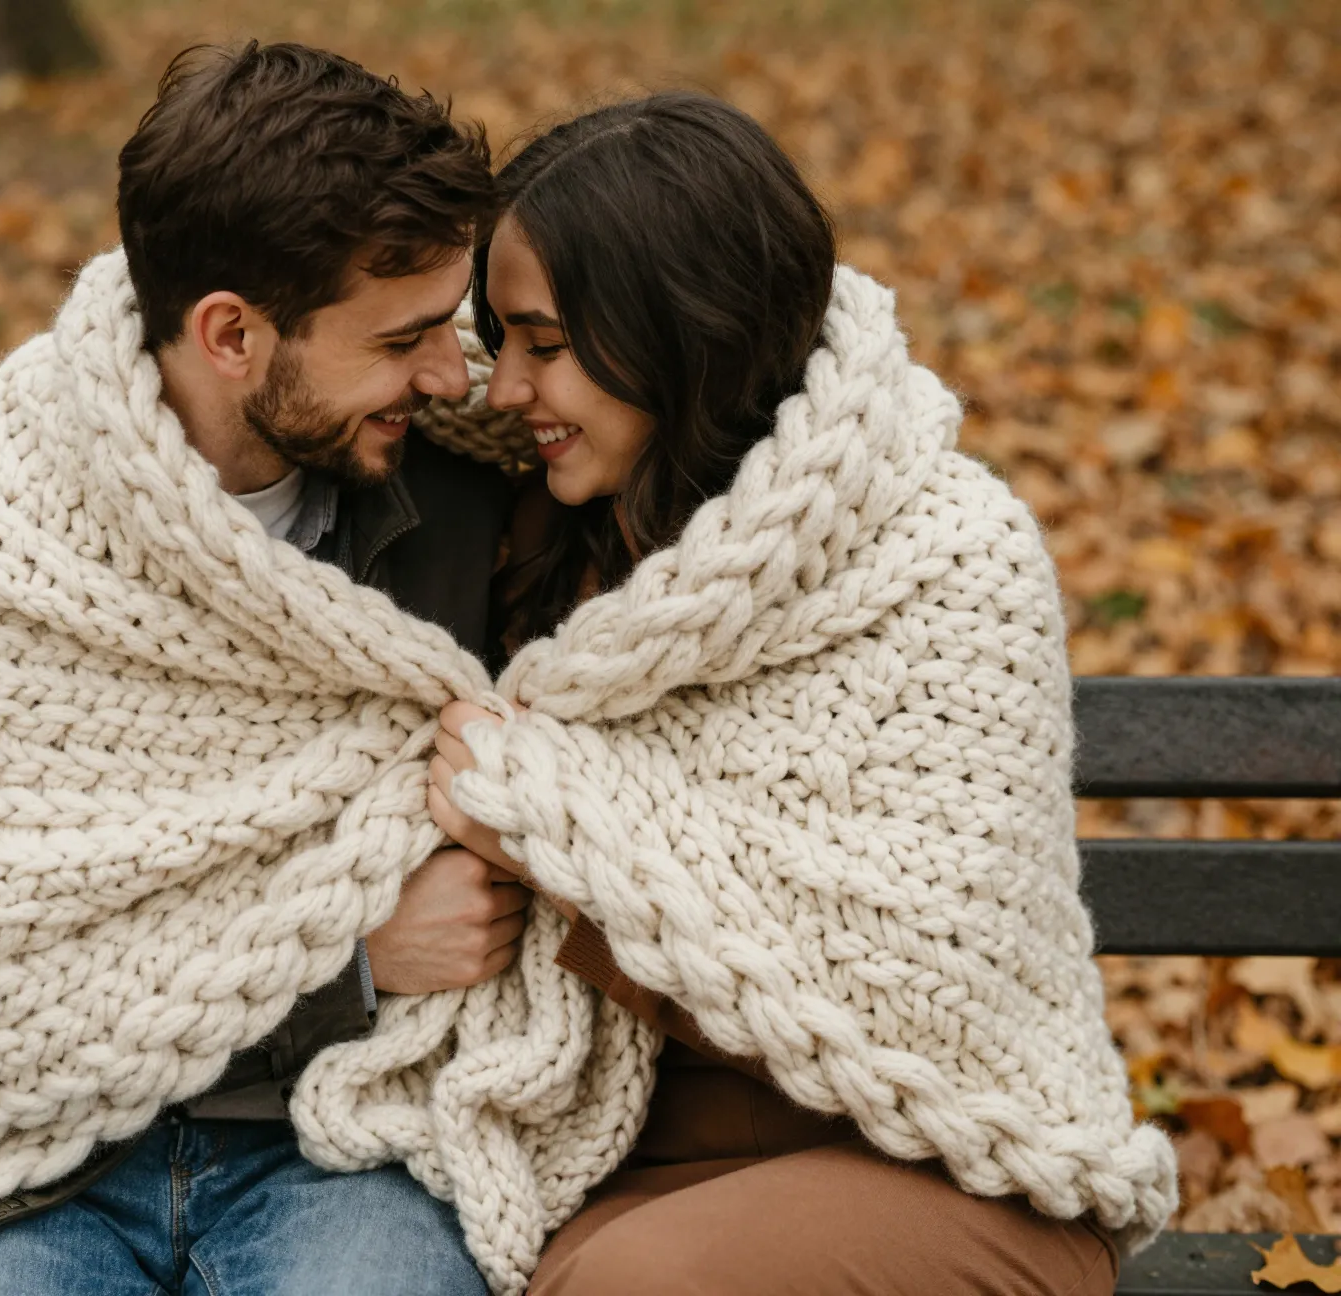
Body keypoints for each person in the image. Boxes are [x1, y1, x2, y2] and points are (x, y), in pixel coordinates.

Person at [0, 42, 525, 1296]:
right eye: (405, 337)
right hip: (11, 1169)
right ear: (230, 334)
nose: (450, 372)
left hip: (346, 1142)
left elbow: (729, 413)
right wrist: (352, 963)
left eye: (456, 323)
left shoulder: (480, 476)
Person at [421, 92, 1170, 1294]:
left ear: (675, 335)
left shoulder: (941, 552)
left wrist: (548, 818)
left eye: (545, 345)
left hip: (937, 1162)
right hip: (606, 1165)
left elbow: (925, 975)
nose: (504, 388)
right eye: (497, 339)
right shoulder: (542, 532)